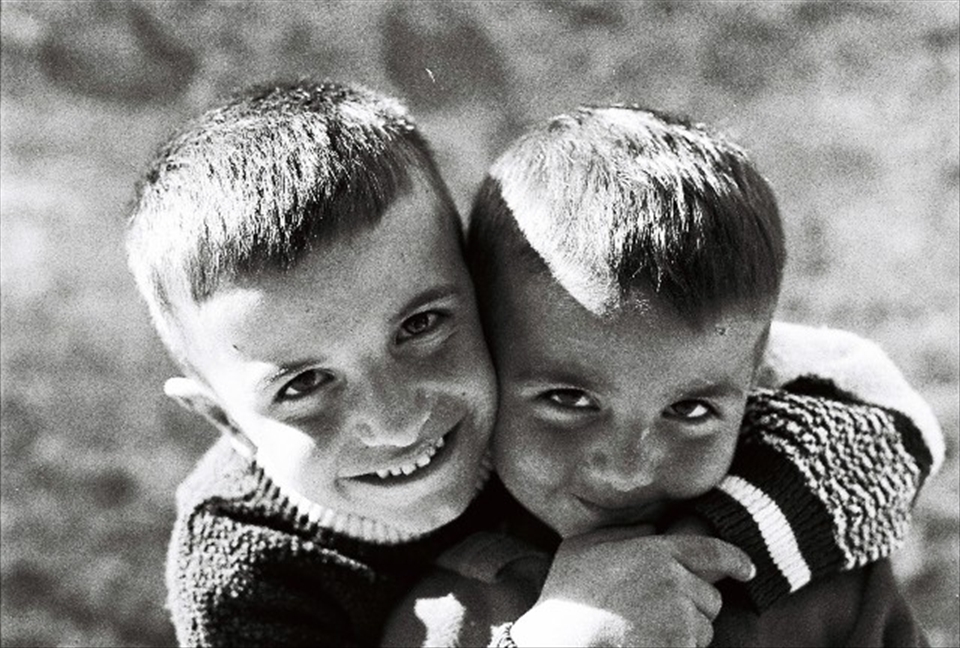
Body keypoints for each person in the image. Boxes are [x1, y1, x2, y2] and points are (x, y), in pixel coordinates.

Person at [125, 83, 940, 647]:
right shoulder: (245, 568)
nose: (396, 415)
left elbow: (882, 419)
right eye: (303, 385)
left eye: (421, 325)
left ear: (477, 290)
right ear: (225, 419)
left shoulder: (596, 374)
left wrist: (695, 551)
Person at [382, 105, 941, 647]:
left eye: (691, 410)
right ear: (486, 352)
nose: (627, 469)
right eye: (568, 399)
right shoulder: (448, 617)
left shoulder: (828, 583)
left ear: (754, 378)